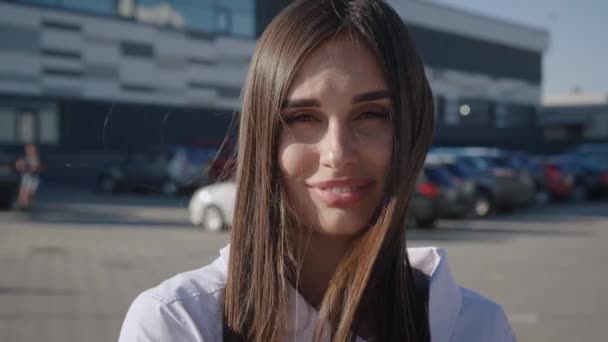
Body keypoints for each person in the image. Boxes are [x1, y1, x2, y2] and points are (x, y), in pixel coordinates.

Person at [119, 0, 516, 341]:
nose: (338, 152)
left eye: (372, 114)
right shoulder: (179, 323)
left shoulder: (477, 327)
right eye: (304, 117)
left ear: (413, 127)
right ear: (265, 137)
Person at [15, 143, 43, 210]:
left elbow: (41, 167)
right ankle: (22, 205)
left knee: (30, 193)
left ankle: (27, 205)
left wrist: (36, 169)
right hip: (26, 177)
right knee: (24, 191)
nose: (30, 150)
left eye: (32, 149)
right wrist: (25, 167)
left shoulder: (38, 158)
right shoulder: (24, 158)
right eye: (28, 149)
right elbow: (18, 166)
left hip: (34, 178)